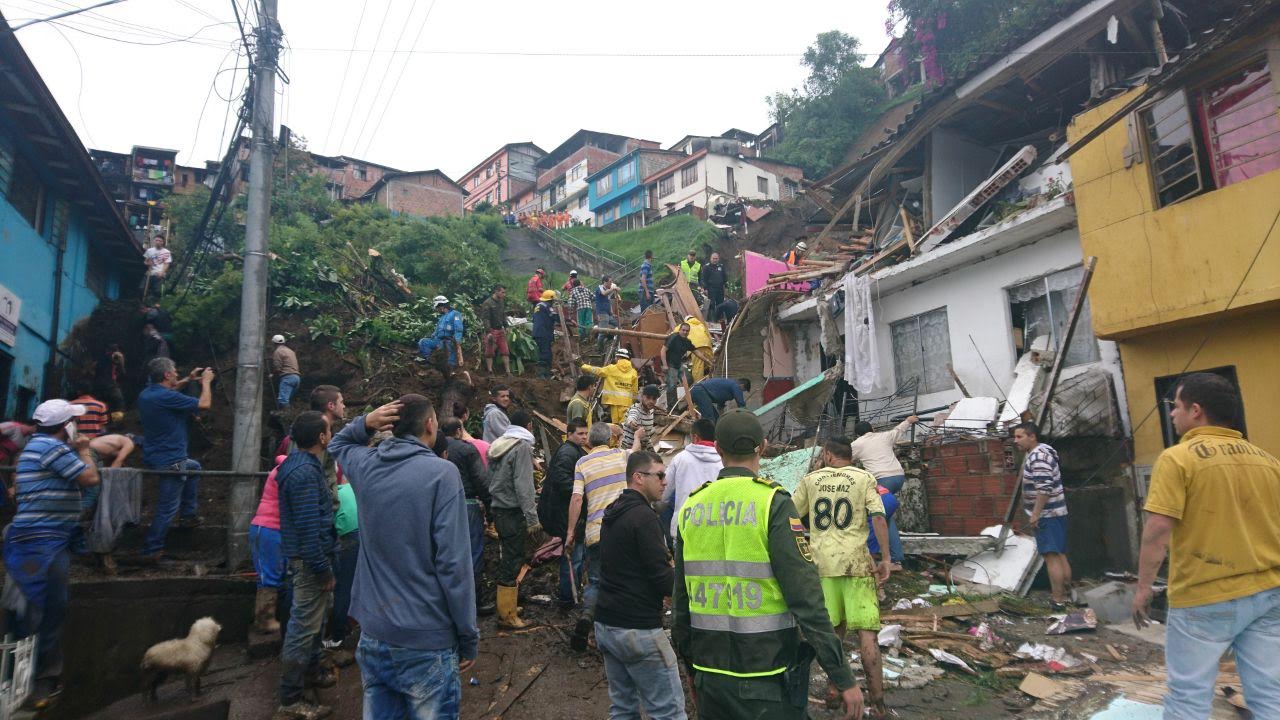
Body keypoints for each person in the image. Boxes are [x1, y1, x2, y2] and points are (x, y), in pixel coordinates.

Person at [673, 410, 863, 720]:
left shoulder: (692, 506)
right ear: (762, 447)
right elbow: (805, 597)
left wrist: (693, 672)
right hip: (767, 678)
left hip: (711, 677)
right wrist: (841, 675)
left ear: (718, 449)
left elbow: (681, 604)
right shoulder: (772, 502)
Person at [1131, 374, 1280, 719]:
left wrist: (1143, 589)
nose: (1172, 414)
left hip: (1204, 596)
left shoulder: (1178, 459)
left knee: (1188, 698)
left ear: (1196, 410)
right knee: (1270, 694)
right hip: (1269, 593)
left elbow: (1158, 529)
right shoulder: (1269, 461)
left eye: (1176, 406)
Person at [328, 396, 477, 720]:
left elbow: (336, 444)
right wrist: (468, 635)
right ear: (430, 425)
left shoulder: (367, 465)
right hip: (426, 639)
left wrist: (365, 423)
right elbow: (453, 566)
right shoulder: (442, 474)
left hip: (375, 634)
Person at [4, 400, 100, 703]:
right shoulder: (52, 448)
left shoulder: (37, 446)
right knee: (43, 608)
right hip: (40, 542)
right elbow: (90, 478)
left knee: (38, 607)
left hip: (43, 538)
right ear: (66, 426)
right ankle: (36, 682)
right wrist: (84, 450)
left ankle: (31, 680)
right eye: (74, 421)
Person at [792, 438, 892, 715]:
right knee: (867, 634)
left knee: (833, 632)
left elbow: (790, 515)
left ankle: (834, 691)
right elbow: (878, 517)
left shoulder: (811, 480)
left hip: (823, 565)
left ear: (827, 454)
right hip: (857, 564)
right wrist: (886, 558)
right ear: (850, 456)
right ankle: (878, 702)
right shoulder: (864, 478)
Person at [594, 450, 687, 720]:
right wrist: (688, 595)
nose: (665, 482)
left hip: (607, 624)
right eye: (659, 475)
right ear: (638, 477)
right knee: (669, 712)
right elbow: (661, 577)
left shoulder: (614, 511)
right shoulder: (643, 517)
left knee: (623, 708)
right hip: (637, 629)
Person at [276, 412, 338, 719]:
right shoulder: (304, 474)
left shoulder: (300, 465)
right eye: (329, 431)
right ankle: (290, 700)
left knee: (313, 625)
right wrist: (322, 570)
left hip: (311, 559)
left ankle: (313, 673)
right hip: (311, 563)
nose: (332, 435)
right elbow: (308, 528)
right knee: (302, 630)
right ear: (322, 438)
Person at [565, 422, 637, 652]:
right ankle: (621, 631)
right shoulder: (621, 455)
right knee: (624, 578)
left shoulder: (582, 463)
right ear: (609, 440)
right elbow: (636, 450)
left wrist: (570, 532)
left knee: (596, 580)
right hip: (623, 530)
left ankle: (588, 617)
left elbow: (577, 499)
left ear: (589, 441)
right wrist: (637, 436)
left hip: (596, 531)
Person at [138, 358, 213, 561]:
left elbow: (171, 391)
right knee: (167, 508)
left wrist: (188, 379)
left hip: (155, 455)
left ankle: (188, 516)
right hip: (172, 461)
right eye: (174, 372)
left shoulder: (147, 394)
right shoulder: (166, 397)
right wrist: (206, 382)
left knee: (194, 467)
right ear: (166, 375)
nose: (177, 374)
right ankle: (151, 550)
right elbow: (204, 404)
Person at [487, 409, 540, 629]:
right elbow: (523, 485)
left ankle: (507, 605)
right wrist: (532, 518)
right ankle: (507, 615)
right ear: (528, 426)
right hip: (512, 511)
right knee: (512, 559)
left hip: (498, 508)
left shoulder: (499, 444)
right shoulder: (522, 447)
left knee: (508, 556)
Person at [1012, 421, 1072, 608]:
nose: (1015, 441)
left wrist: (1036, 514)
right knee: (1060, 554)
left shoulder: (1038, 457)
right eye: (1015, 437)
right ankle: (1068, 596)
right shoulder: (1043, 452)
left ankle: (1058, 600)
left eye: (1019, 436)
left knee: (1051, 556)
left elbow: (1044, 488)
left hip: (1047, 514)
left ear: (1032, 437)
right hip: (1056, 512)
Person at [441, 417, 494, 616]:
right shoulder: (466, 449)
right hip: (467, 504)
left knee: (446, 553)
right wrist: (490, 509)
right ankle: (474, 602)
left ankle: (448, 602)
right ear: (458, 430)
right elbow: (481, 480)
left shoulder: (433, 448)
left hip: (442, 505)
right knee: (473, 554)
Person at [849, 416, 919, 566]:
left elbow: (845, 459)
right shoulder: (884, 436)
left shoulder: (856, 444)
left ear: (857, 434)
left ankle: (893, 559)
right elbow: (898, 430)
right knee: (886, 516)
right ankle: (893, 558)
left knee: (880, 517)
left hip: (881, 481)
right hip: (898, 477)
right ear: (872, 429)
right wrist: (909, 420)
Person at [538, 421, 590, 608]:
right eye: (580, 434)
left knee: (576, 555)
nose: (584, 437)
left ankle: (573, 591)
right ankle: (568, 597)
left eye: (586, 433)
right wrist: (584, 493)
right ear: (569, 434)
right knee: (572, 555)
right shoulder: (568, 453)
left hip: (566, 512)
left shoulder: (574, 451)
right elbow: (562, 481)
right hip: (563, 513)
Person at [660, 418, 723, 543]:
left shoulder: (680, 459)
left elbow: (663, 494)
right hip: (714, 532)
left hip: (684, 531)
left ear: (695, 437)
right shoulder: (723, 461)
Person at [250, 454, 287, 635]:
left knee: (279, 573)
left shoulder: (286, 468)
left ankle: (273, 616)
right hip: (268, 528)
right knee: (269, 575)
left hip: (278, 529)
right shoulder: (286, 471)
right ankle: (265, 619)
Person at [581, 348, 638, 424]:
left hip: (614, 401)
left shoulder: (611, 369)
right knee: (625, 424)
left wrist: (583, 366)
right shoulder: (633, 372)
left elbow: (597, 370)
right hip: (627, 403)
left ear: (618, 357)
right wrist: (633, 403)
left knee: (616, 425)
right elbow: (635, 390)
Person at [417, 296, 464, 370]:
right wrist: (432, 336)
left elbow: (458, 329)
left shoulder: (455, 314)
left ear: (442, 306)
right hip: (438, 340)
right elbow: (437, 330)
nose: (437, 310)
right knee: (423, 342)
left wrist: (457, 340)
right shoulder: (442, 318)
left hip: (449, 340)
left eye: (437, 308)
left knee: (448, 350)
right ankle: (428, 362)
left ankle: (451, 368)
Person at [479, 285, 512, 376]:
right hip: (492, 330)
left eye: (504, 292)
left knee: (505, 351)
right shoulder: (487, 303)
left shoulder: (501, 302)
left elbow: (503, 315)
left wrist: (506, 326)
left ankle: (508, 372)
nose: (504, 294)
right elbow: (485, 318)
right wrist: (488, 331)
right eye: (502, 292)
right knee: (489, 352)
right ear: (496, 291)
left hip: (500, 330)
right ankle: (490, 372)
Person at [663, 324, 696, 410]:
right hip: (670, 365)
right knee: (672, 386)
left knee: (690, 379)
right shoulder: (673, 337)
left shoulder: (687, 342)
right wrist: (665, 365)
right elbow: (663, 351)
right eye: (683, 330)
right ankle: (672, 408)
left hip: (679, 364)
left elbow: (696, 351)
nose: (685, 332)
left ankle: (687, 402)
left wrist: (707, 361)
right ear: (680, 330)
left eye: (687, 331)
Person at [622, 385, 660, 451]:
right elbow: (631, 417)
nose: (651, 401)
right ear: (642, 397)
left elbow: (646, 436)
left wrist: (651, 450)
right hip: (628, 450)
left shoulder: (651, 412)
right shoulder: (636, 409)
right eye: (648, 398)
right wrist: (631, 422)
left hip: (641, 450)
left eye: (654, 399)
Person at [271, 335, 302, 408]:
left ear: (274, 343)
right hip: (296, 378)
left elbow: (277, 368)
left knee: (283, 401)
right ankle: (289, 413)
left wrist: (272, 374)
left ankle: (286, 414)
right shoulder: (290, 351)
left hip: (288, 378)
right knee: (287, 399)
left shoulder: (278, 352)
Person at [94, 343, 126, 411]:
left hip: (100, 386)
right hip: (110, 385)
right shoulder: (115, 357)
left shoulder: (100, 359)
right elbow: (122, 372)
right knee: (118, 404)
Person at [532, 290, 557, 379]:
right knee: (545, 353)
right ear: (551, 300)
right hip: (544, 333)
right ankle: (542, 374)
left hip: (538, 332)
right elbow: (555, 316)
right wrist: (568, 320)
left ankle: (547, 373)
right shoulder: (547, 306)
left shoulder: (538, 306)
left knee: (546, 352)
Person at [593, 276, 621, 352]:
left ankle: (610, 339)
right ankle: (600, 349)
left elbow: (608, 303)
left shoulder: (608, 290)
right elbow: (604, 293)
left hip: (608, 313)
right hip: (602, 313)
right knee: (603, 332)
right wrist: (613, 288)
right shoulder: (600, 288)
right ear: (605, 282)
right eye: (610, 282)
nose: (611, 283)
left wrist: (612, 313)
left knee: (617, 324)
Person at [685, 316, 713, 381]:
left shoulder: (685, 326)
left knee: (698, 369)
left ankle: (698, 384)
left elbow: (675, 334)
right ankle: (715, 379)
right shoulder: (701, 324)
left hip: (696, 347)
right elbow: (709, 337)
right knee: (711, 365)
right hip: (707, 345)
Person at [568, 277, 594, 343]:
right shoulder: (586, 289)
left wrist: (570, 313)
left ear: (573, 285)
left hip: (580, 308)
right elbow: (593, 297)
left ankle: (583, 338)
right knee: (589, 322)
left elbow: (570, 304)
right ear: (580, 283)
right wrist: (588, 301)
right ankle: (589, 336)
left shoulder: (573, 291)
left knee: (581, 323)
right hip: (589, 307)